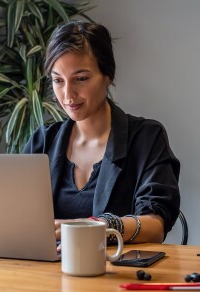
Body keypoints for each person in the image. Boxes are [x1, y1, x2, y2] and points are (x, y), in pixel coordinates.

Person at [23, 21, 180, 244]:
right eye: (58, 81)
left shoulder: (146, 138)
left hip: (113, 271)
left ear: (108, 76)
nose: (68, 94)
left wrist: (96, 227)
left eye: (81, 79)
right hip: (45, 273)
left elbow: (155, 226)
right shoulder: (42, 141)